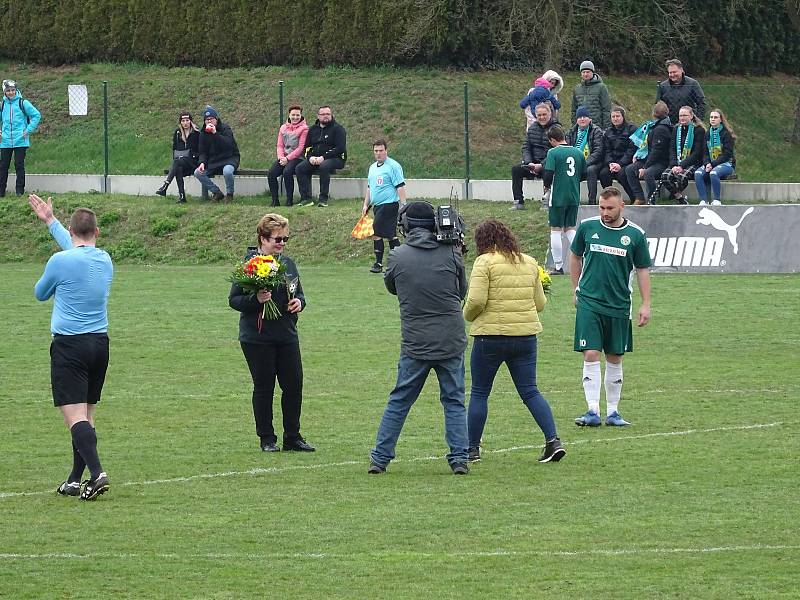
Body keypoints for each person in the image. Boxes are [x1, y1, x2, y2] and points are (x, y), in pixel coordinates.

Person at [368, 202, 470, 475]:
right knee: (454, 401)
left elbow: (392, 286)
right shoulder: (451, 253)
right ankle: (460, 457)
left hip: (416, 342)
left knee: (400, 400)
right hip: (450, 339)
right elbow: (462, 291)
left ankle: (380, 458)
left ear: (406, 226)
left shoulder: (398, 255)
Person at [28, 193, 113, 501]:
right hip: (99, 344)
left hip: (69, 346)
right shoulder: (104, 259)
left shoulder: (59, 262)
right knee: (86, 415)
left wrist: (53, 223)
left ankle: (98, 473)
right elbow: (76, 249)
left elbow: (40, 293)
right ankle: (75, 479)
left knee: (74, 417)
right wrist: (51, 221)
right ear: (97, 233)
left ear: (73, 231)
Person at [463, 219, 566, 464]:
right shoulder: (529, 262)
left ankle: (472, 449)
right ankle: (553, 440)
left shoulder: (484, 262)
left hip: (490, 337)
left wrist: (467, 316)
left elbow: (476, 301)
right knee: (530, 391)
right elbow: (540, 304)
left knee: (479, 392)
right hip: (525, 337)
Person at [229, 213, 314, 453]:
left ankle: (293, 436)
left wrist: (299, 302)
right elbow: (234, 300)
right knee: (264, 387)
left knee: (294, 385)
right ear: (262, 238)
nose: (282, 244)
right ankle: (267, 438)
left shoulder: (288, 264)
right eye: (277, 239)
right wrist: (256, 299)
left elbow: (299, 293)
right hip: (257, 337)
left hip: (286, 334)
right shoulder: (250, 265)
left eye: (285, 239)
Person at [570, 186, 651, 427]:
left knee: (615, 357)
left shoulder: (635, 235)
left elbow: (643, 270)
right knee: (592, 352)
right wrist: (575, 288)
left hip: (619, 305)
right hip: (590, 302)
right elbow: (575, 256)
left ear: (622, 206)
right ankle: (592, 410)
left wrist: (646, 304)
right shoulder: (587, 227)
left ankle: (613, 412)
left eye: (610, 208)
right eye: (602, 207)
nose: (605, 212)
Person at [544, 124, 585, 275]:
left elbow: (548, 174)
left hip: (558, 197)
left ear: (553, 140)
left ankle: (558, 266)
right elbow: (584, 174)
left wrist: (546, 187)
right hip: (574, 196)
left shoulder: (553, 153)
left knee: (555, 229)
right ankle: (584, 259)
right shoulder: (578, 152)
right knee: (570, 228)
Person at [361, 139, 406, 273]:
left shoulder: (393, 166)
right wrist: (365, 204)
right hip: (377, 206)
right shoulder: (373, 167)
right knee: (391, 235)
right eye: (376, 151)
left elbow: (400, 186)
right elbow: (370, 188)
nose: (378, 153)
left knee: (376, 233)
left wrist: (404, 205)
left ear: (386, 150)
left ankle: (378, 264)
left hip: (389, 205)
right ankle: (399, 262)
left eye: (381, 150)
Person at [295, 106, 347, 207]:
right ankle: (306, 199)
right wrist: (310, 157)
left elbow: (340, 148)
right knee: (300, 168)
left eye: (328, 114)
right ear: (318, 116)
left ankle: (323, 199)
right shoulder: (313, 129)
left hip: (336, 158)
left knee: (324, 166)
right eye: (323, 114)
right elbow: (307, 147)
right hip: (316, 158)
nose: (326, 116)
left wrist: (323, 157)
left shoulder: (338, 129)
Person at [510, 103, 559, 210]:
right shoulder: (532, 129)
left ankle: (546, 200)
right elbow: (526, 147)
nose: (542, 117)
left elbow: (557, 150)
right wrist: (529, 163)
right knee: (516, 169)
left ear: (550, 114)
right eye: (539, 115)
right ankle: (518, 201)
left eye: (544, 114)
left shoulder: (557, 129)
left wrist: (541, 165)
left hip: (549, 164)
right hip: (532, 164)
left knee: (548, 170)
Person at [625, 101, 673, 205]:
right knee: (629, 169)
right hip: (650, 160)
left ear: (654, 114)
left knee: (648, 173)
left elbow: (656, 151)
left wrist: (645, 167)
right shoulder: (654, 126)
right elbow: (647, 146)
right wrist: (639, 156)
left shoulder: (661, 129)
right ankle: (639, 197)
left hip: (661, 162)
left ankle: (652, 200)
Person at [0, 79, 41, 197]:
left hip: (20, 140)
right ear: (4, 92)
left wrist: (28, 130)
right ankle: (1, 192)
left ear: (16, 90)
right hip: (5, 141)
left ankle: (19, 192)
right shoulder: (2, 105)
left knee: (19, 165)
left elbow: (36, 115)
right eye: (8, 90)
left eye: (13, 90)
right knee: (3, 166)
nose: (11, 92)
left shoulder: (23, 103)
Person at [657, 105, 705, 205]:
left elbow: (697, 153)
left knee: (682, 177)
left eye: (685, 115)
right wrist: (674, 164)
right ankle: (679, 197)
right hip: (677, 161)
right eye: (680, 115)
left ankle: (675, 195)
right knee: (665, 176)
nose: (682, 118)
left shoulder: (699, 130)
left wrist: (681, 166)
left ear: (691, 116)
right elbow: (672, 149)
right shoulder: (676, 129)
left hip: (692, 162)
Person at [194, 105, 240, 203]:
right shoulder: (203, 133)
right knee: (198, 173)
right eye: (207, 120)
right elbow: (202, 151)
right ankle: (217, 193)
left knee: (227, 171)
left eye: (211, 119)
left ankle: (230, 195)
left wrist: (215, 133)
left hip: (229, 158)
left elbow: (228, 145)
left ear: (216, 119)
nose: (209, 121)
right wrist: (202, 162)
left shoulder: (225, 128)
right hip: (213, 161)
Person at [267, 104, 308, 207]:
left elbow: (300, 148)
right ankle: (275, 200)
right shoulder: (283, 128)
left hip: (298, 158)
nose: (295, 117)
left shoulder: (304, 129)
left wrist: (287, 158)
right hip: (284, 157)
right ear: (289, 115)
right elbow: (280, 145)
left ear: (301, 116)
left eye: (297, 115)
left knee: (287, 172)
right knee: (271, 173)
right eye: (293, 115)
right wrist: (281, 157)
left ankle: (289, 200)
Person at [694, 108, 737, 206]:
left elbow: (727, 154)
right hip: (711, 163)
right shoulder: (707, 133)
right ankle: (703, 201)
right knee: (698, 173)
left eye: (715, 117)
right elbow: (705, 153)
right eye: (711, 117)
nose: (713, 119)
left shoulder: (726, 134)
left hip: (726, 164)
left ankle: (717, 200)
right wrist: (707, 163)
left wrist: (712, 164)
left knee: (713, 173)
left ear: (721, 119)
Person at [156, 111, 200, 204]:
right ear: (180, 122)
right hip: (181, 162)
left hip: (193, 162)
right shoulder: (177, 132)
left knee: (177, 163)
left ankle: (165, 186)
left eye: (187, 120)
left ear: (190, 121)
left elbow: (200, 149)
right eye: (183, 121)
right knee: (178, 168)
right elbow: (174, 148)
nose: (185, 123)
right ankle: (182, 197)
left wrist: (194, 155)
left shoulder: (196, 133)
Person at [598, 106, 637, 203]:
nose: (615, 119)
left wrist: (620, 164)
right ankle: (609, 200)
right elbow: (607, 150)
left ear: (623, 117)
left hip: (626, 162)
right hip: (612, 163)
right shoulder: (607, 132)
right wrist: (610, 163)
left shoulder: (632, 129)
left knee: (622, 175)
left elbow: (631, 150)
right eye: (613, 116)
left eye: (618, 116)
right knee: (603, 174)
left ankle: (634, 198)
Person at [566, 106, 604, 204]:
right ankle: (571, 199)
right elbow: (567, 149)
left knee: (590, 170)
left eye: (584, 116)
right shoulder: (571, 132)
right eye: (579, 117)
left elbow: (598, 151)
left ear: (590, 119)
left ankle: (591, 200)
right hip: (575, 162)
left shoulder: (596, 131)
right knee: (568, 170)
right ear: (576, 119)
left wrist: (584, 163)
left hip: (593, 163)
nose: (582, 119)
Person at [655, 58, 706, 124]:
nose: (672, 75)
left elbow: (701, 103)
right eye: (670, 72)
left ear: (681, 70)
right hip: (669, 125)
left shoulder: (692, 84)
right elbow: (659, 107)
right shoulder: (663, 86)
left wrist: (698, 121)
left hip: (688, 124)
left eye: (674, 72)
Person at [571, 61, 611, 129]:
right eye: (583, 72)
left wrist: (606, 128)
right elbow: (574, 110)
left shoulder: (601, 87)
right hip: (581, 126)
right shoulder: (577, 89)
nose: (585, 74)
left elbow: (606, 109)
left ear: (592, 72)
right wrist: (574, 126)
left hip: (597, 126)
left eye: (588, 72)